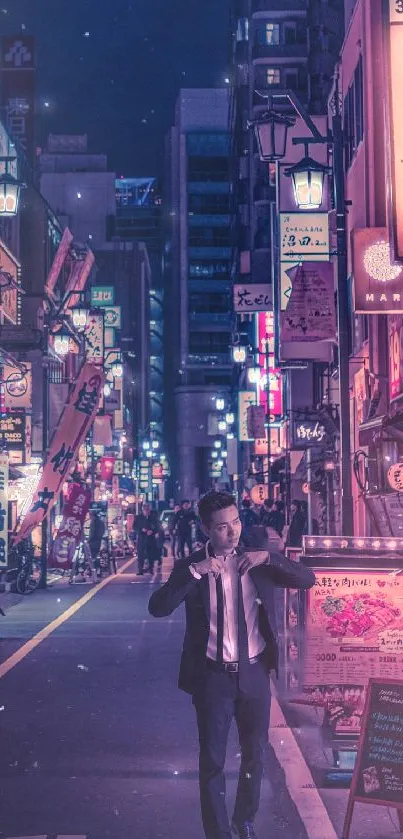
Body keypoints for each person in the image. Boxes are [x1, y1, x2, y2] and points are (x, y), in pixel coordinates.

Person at [148, 490, 315, 839]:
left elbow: (306, 579)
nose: (233, 531)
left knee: (254, 755)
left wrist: (268, 558)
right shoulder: (192, 567)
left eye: (236, 522)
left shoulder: (255, 560)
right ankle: (218, 832)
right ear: (206, 530)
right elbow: (159, 607)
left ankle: (245, 821)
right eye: (222, 527)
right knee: (212, 762)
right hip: (213, 678)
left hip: (254, 673)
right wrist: (194, 572)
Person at [135, 503, 157, 575]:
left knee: (151, 555)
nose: (146, 512)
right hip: (141, 539)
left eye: (148, 510)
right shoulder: (138, 517)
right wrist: (141, 529)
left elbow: (157, 527)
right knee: (140, 555)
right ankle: (140, 570)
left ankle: (151, 569)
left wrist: (152, 531)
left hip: (151, 539)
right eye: (145, 510)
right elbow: (134, 527)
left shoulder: (153, 517)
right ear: (143, 510)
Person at [88, 510, 105, 576]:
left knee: (92, 557)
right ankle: (98, 570)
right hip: (99, 540)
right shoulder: (101, 522)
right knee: (97, 556)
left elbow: (92, 532)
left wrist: (89, 539)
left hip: (93, 541)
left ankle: (93, 570)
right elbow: (102, 531)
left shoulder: (93, 522)